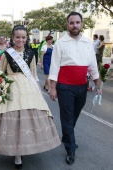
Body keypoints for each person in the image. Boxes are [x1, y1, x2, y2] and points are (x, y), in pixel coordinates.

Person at [0, 25, 61, 169]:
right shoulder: (6, 54)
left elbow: (33, 74)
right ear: (13, 38)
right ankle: (17, 154)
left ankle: (26, 147)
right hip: (12, 89)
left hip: (28, 89)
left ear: (26, 38)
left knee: (29, 119)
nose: (20, 40)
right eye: (17, 37)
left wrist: (39, 90)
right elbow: (1, 73)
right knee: (12, 120)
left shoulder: (31, 54)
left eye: (23, 37)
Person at [49, 12, 99, 165]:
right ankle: (70, 150)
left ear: (81, 24)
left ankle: (66, 136)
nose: (75, 25)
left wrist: (98, 83)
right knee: (67, 117)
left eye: (77, 22)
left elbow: (92, 65)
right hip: (65, 87)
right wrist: (53, 87)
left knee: (75, 115)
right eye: (72, 23)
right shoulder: (60, 43)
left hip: (82, 87)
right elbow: (55, 66)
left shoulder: (87, 43)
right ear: (67, 25)